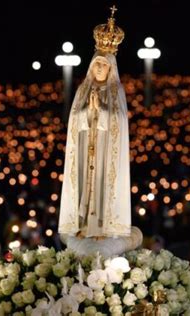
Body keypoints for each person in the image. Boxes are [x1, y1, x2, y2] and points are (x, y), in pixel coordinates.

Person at [58, 6, 131, 239]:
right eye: (97, 64)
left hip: (104, 148)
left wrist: (103, 111)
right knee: (83, 184)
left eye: (104, 65)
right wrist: (87, 112)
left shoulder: (115, 91)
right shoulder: (83, 90)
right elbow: (75, 119)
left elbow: (119, 120)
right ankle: (81, 223)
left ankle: (101, 226)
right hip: (85, 146)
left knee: (101, 184)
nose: (100, 68)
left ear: (111, 68)